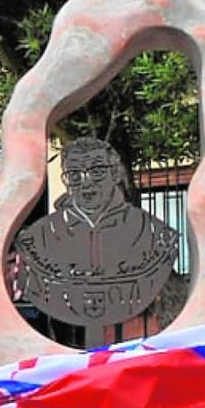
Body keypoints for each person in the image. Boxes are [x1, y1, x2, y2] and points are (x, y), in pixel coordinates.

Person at [13, 137, 177, 338]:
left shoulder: (155, 235)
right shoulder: (38, 238)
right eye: (74, 174)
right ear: (65, 180)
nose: (86, 182)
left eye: (97, 171)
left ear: (115, 174)